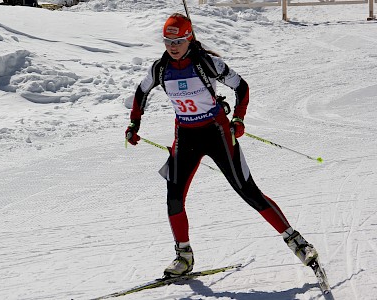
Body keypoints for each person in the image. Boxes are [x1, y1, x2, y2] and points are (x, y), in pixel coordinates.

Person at [125, 13, 318, 277]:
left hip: (217, 133)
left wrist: (238, 117)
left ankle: (297, 242)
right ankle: (183, 257)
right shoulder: (160, 68)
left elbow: (242, 86)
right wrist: (134, 123)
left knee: (247, 190)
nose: (172, 47)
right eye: (168, 41)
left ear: (189, 38)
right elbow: (141, 92)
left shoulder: (207, 63)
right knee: (173, 198)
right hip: (185, 136)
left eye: (179, 41)